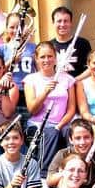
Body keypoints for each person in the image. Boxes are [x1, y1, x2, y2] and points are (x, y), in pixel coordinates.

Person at [23, 41, 76, 177]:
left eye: (50, 56)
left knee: (72, 133)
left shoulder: (67, 79)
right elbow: (32, 110)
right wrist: (45, 93)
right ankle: (44, 174)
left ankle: (75, 169)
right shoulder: (31, 80)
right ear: (36, 59)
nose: (46, 60)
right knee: (51, 133)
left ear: (55, 57)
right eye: (42, 57)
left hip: (62, 123)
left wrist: (59, 125)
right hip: (38, 125)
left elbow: (71, 110)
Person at [46, 118, 95, 188]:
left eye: (86, 137)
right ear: (70, 140)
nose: (82, 142)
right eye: (78, 138)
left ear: (92, 138)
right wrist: (71, 171)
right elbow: (49, 181)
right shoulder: (63, 154)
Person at [49, 6, 92, 80]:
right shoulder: (49, 46)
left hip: (79, 86)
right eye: (59, 21)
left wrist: (73, 81)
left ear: (71, 23)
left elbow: (91, 68)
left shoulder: (82, 43)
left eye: (66, 21)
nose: (62, 25)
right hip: (57, 88)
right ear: (53, 23)